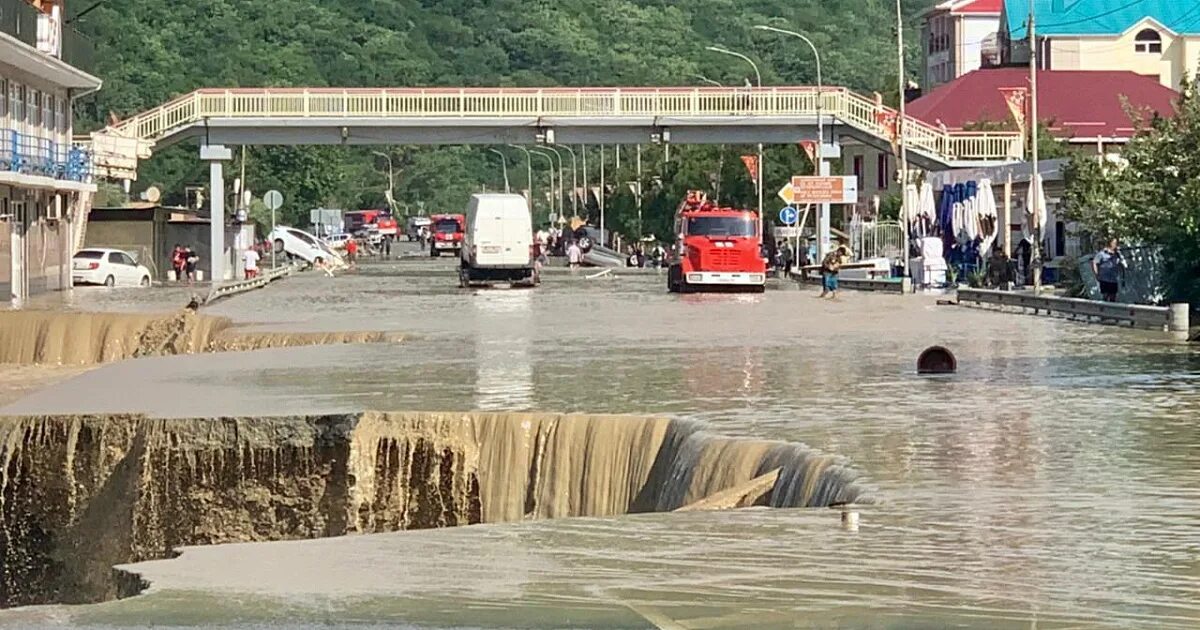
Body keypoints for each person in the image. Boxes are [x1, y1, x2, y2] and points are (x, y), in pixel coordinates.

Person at [1092, 238, 1125, 302]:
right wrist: (1097, 274)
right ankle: (1103, 310)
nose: (1116, 245)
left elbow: (1121, 264)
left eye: (1116, 243)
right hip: (1104, 278)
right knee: (1105, 295)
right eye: (1114, 243)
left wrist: (1122, 275)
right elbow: (1095, 263)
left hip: (1113, 279)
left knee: (1113, 296)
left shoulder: (1117, 254)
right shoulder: (1102, 254)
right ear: (1110, 243)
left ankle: (1111, 311)